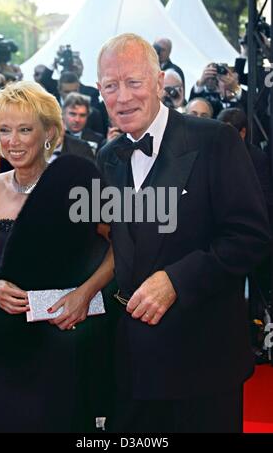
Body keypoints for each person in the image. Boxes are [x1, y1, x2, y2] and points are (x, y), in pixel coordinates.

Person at [96, 33, 271, 433]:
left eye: (134, 83)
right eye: (110, 86)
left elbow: (250, 236)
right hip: (131, 362)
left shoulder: (215, 140)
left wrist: (176, 279)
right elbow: (112, 240)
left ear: (159, 82)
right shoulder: (108, 158)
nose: (122, 97)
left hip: (201, 361)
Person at [0, 80, 114, 433]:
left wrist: (85, 293)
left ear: (49, 133)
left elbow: (119, 247)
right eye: (5, 130)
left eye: (24, 129)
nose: (13, 141)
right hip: (6, 344)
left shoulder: (76, 187)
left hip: (61, 341)